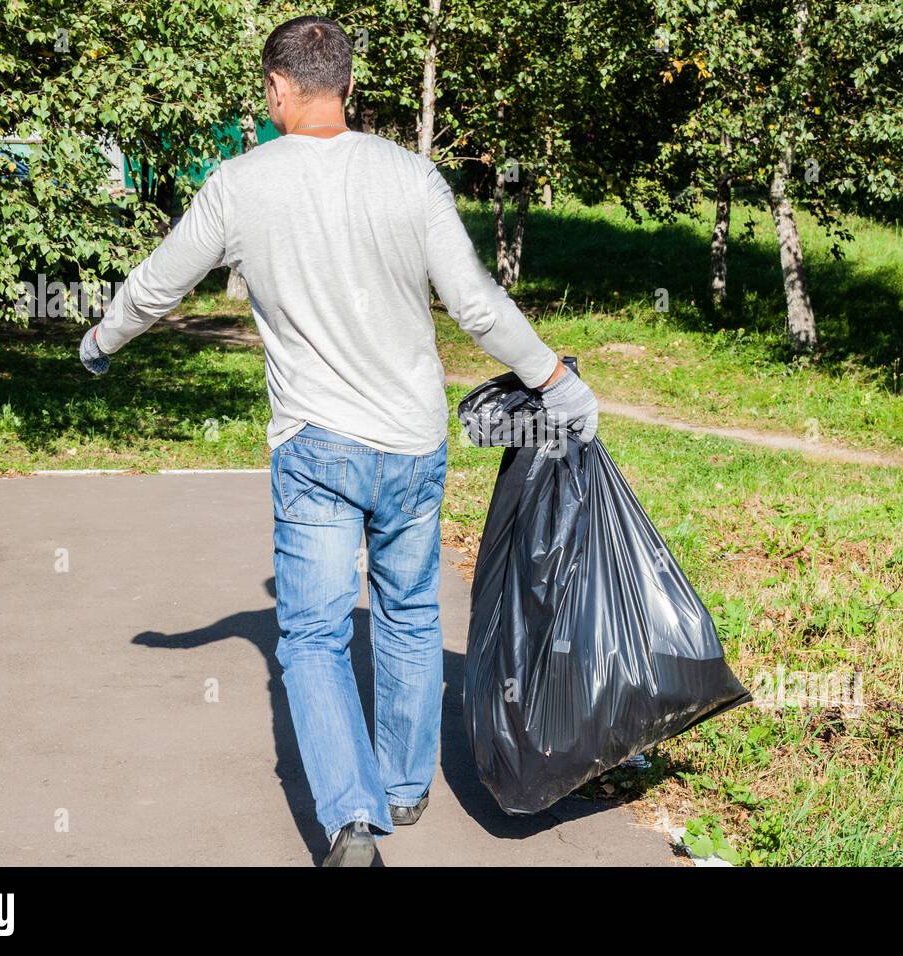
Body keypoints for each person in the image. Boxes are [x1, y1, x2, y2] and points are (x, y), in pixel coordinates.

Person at [78, 15, 598, 866]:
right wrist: (553, 378)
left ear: (279, 89)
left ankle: (354, 819)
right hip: (410, 444)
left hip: (316, 449)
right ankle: (405, 783)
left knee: (313, 638)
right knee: (407, 611)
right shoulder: (410, 177)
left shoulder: (240, 184)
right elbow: (475, 305)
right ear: (348, 87)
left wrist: (100, 342)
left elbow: (157, 283)